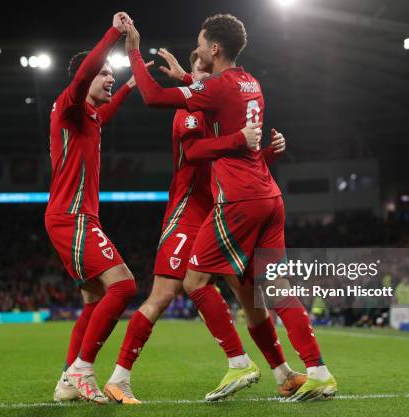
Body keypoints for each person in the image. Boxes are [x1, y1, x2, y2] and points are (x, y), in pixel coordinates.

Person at [125, 14, 337, 402]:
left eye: (202, 43)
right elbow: (219, 101)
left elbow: (153, 98)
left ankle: (239, 362)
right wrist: (187, 79)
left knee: (194, 281)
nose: (199, 48)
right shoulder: (251, 82)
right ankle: (318, 371)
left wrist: (134, 51)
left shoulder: (220, 87)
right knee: (275, 290)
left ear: (215, 48)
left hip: (239, 200)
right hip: (270, 197)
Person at [103, 50, 304, 404]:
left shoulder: (225, 110)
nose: (206, 76)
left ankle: (283, 374)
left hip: (225, 210)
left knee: (250, 297)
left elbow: (243, 160)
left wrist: (271, 150)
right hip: (188, 212)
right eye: (199, 71)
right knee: (164, 293)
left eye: (207, 71)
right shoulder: (189, 111)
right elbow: (196, 154)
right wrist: (241, 138)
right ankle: (120, 378)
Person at [45, 12, 147, 405]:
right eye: (105, 74)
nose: (110, 78)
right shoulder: (69, 105)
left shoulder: (88, 117)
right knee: (123, 286)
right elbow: (86, 71)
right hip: (71, 218)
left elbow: (105, 113)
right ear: (86, 79)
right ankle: (83, 370)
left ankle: (67, 383)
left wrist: (130, 87)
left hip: (78, 218)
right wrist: (114, 34)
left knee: (92, 301)